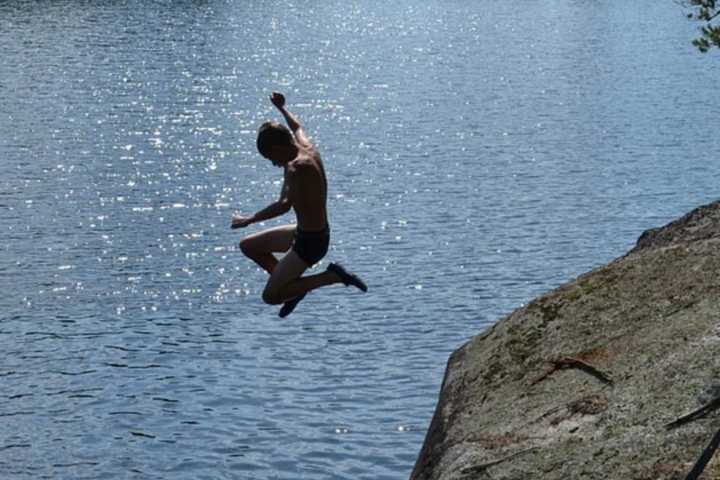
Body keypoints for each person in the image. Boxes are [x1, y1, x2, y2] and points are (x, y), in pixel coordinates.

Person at [232, 92, 367, 317]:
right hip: (304, 232)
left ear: (278, 148)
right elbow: (296, 126)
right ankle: (293, 289)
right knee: (248, 246)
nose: (274, 163)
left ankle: (331, 276)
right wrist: (282, 108)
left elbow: (283, 205)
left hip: (310, 244)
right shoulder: (306, 146)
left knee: (271, 296)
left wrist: (249, 219)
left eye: (270, 158)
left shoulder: (296, 167)